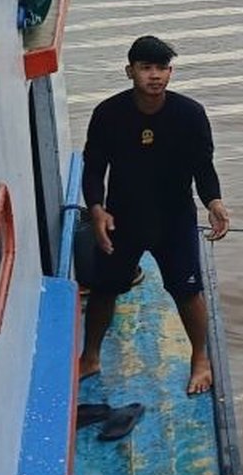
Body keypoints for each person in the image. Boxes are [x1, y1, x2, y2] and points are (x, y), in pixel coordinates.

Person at [80, 36, 231, 396]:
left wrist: (214, 202)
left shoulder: (190, 114)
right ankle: (91, 357)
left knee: (187, 290)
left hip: (174, 218)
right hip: (123, 219)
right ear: (130, 71)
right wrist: (97, 210)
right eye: (146, 68)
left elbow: (202, 166)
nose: (155, 76)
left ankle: (200, 358)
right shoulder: (108, 114)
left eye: (162, 68)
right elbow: (93, 168)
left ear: (170, 72)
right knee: (103, 289)